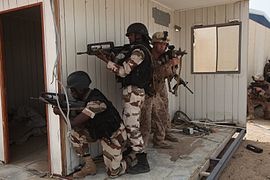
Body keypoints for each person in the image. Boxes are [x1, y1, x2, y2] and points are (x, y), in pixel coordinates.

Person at [95, 22, 152, 174]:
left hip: (134, 93)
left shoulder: (139, 52)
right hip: (132, 92)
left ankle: (142, 161)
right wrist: (112, 58)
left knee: (132, 127)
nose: (128, 38)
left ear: (138, 35)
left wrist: (106, 61)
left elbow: (122, 71)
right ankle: (133, 152)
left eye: (130, 35)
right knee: (129, 124)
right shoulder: (138, 50)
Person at [53, 71, 128, 178]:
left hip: (113, 135)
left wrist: (60, 112)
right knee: (75, 134)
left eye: (73, 89)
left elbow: (73, 123)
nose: (71, 92)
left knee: (113, 173)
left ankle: (128, 161)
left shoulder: (96, 102)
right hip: (98, 131)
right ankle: (89, 166)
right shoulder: (85, 98)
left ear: (80, 88)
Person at [140, 31, 179, 149]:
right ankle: (152, 141)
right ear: (154, 44)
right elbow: (154, 73)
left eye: (165, 45)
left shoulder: (165, 56)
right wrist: (169, 64)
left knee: (163, 112)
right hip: (149, 89)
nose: (163, 47)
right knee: (147, 117)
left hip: (160, 87)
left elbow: (168, 74)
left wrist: (174, 65)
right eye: (160, 44)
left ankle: (162, 135)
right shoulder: (147, 56)